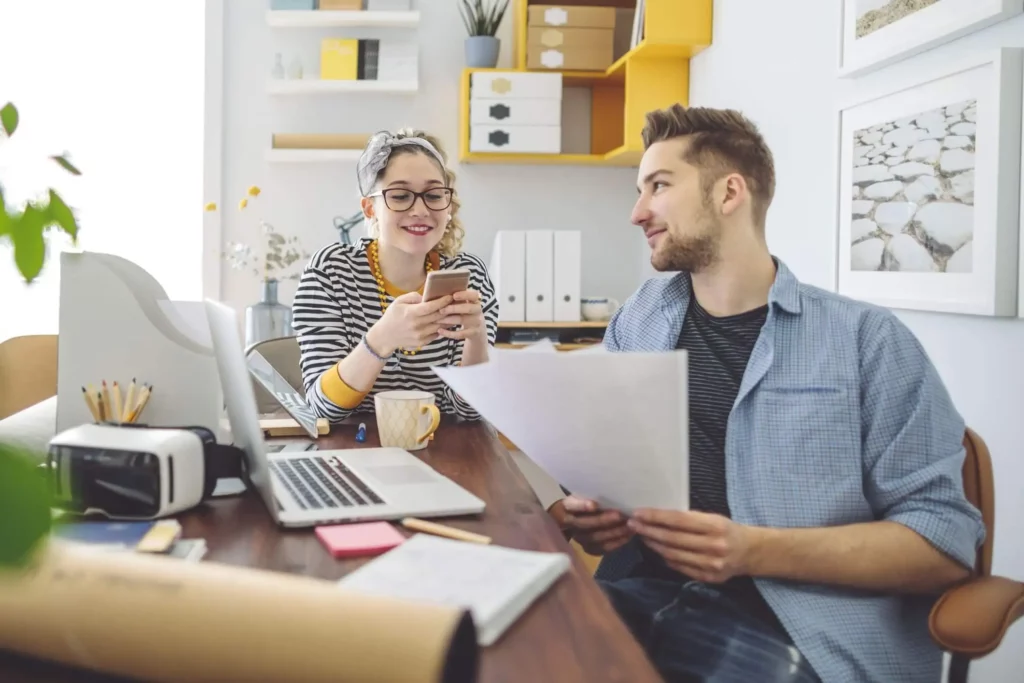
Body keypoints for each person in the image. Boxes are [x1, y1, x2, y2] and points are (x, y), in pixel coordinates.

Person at [548, 104, 985, 683]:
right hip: (638, 592)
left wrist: (753, 550)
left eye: (658, 186)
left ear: (729, 193)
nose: (637, 212)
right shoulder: (638, 321)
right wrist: (590, 513)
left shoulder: (868, 341)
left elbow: (943, 544)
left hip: (792, 626)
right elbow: (605, 463)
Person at [292, 129, 498, 423]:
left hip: (444, 449)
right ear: (369, 208)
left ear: (448, 205)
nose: (419, 210)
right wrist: (381, 339)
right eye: (400, 196)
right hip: (355, 450)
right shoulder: (330, 273)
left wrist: (477, 340)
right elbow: (321, 409)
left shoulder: (470, 276)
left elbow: (469, 413)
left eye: (433, 195)